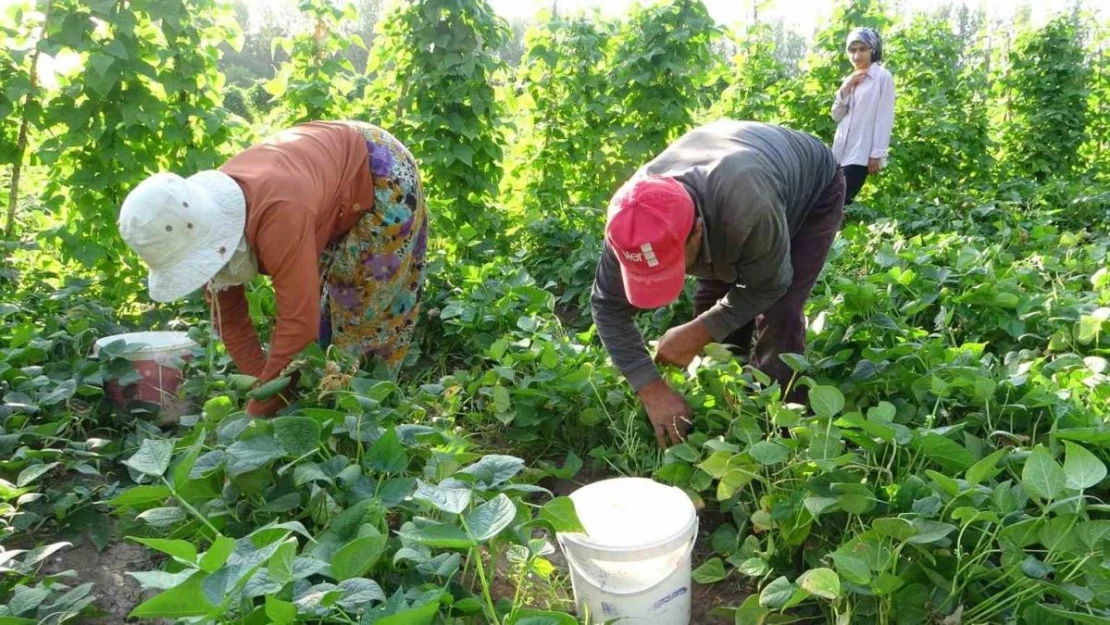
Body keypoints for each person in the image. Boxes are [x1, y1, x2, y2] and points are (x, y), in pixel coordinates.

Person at [118, 121, 428, 417]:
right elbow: (229, 319)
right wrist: (262, 387)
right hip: (322, 175)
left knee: (362, 308)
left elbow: (298, 324)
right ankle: (323, 401)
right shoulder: (193, 222)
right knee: (323, 306)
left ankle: (371, 409)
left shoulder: (279, 215)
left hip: (379, 172)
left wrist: (259, 414)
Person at [591, 120, 845, 448]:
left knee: (780, 311)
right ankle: (728, 401)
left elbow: (770, 286)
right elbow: (607, 306)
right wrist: (651, 388)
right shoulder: (632, 223)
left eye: (674, 263)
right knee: (711, 312)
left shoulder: (749, 208)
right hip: (727, 192)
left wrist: (697, 333)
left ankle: (780, 430)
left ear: (697, 230)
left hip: (810, 191)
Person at [831, 27, 895, 205]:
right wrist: (845, 89)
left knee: (839, 199)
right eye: (852, 50)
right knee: (831, 199)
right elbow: (836, 116)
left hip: (861, 152)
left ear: (873, 50)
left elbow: (884, 117)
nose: (856, 55)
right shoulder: (850, 78)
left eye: (862, 49)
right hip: (839, 151)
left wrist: (877, 154)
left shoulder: (882, 78)